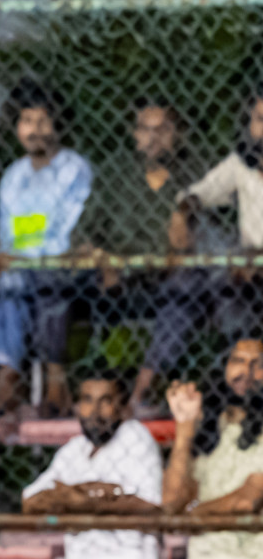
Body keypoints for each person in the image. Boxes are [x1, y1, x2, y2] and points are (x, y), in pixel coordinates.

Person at [0, 80, 92, 415]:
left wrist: (12, 258)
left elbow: (67, 238)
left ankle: (8, 377)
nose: (35, 130)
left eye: (43, 121)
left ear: (58, 124)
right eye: (27, 121)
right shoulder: (12, 176)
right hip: (13, 264)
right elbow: (9, 235)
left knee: (12, 282)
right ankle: (2, 364)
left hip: (58, 266)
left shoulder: (74, 169)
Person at [74, 99, 201, 414]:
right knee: (57, 284)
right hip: (116, 276)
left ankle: (141, 393)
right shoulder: (116, 172)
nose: (153, 137)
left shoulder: (195, 172)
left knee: (186, 289)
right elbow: (82, 234)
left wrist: (183, 236)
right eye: (145, 129)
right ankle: (65, 390)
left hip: (169, 279)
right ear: (134, 134)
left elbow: (209, 237)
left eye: (163, 129)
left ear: (178, 134)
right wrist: (102, 258)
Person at [21, 370, 163, 559]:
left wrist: (74, 498)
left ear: (123, 408)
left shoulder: (135, 436)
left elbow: (152, 504)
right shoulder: (74, 449)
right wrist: (100, 495)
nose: (94, 412)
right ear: (77, 407)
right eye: (87, 400)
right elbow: (30, 501)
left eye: (105, 401)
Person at [170, 90, 263, 401]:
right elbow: (200, 192)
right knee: (227, 291)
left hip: (255, 262)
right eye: (261, 119)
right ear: (249, 124)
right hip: (249, 275)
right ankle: (236, 395)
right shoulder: (241, 164)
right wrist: (182, 213)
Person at [162, 337, 263, 559]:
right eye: (238, 361)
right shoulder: (212, 429)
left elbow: (246, 501)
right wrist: (184, 427)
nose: (246, 372)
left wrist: (189, 517)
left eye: (258, 364)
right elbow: (172, 502)